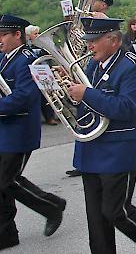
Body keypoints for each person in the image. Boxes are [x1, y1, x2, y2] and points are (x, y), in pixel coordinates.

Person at [66, 17, 136, 253]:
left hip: (118, 150)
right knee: (96, 218)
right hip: (91, 147)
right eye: (88, 40)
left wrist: (86, 94)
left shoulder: (133, 66)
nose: (89, 46)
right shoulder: (92, 64)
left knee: (115, 210)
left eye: (94, 40)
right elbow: (86, 103)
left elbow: (128, 108)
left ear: (113, 40)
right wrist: (70, 94)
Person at [0, 14, 67, 250]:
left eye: (3, 35)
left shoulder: (27, 60)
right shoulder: (6, 57)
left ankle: (52, 206)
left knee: (5, 182)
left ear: (17, 35)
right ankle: (7, 234)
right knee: (6, 182)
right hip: (6, 129)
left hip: (19, 131)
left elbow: (24, 98)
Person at [25, 24, 58, 125]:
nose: (38, 35)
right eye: (35, 34)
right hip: (34, 71)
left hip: (45, 70)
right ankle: (45, 117)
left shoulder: (40, 44)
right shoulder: (27, 46)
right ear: (29, 35)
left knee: (50, 95)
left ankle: (51, 116)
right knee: (39, 97)